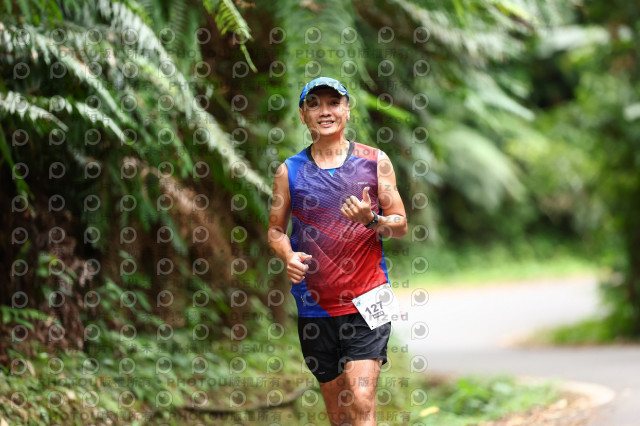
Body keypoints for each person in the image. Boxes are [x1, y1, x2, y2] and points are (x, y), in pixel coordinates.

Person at [268, 77, 407, 425]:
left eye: (333, 102)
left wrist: (372, 219)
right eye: (314, 104)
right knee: (340, 413)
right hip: (315, 307)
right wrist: (287, 256)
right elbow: (275, 230)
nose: (325, 111)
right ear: (303, 115)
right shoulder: (289, 171)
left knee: (361, 400)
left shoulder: (375, 161)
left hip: (369, 298)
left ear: (347, 110)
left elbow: (400, 224)